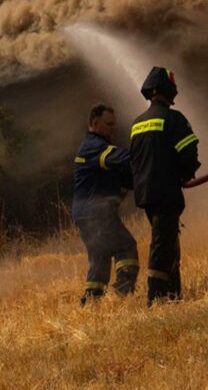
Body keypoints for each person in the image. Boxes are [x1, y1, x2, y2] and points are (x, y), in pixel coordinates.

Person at [129, 66, 200, 305]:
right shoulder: (173, 118)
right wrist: (185, 174)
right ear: (165, 91)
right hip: (167, 191)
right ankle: (156, 297)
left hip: (146, 194)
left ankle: (172, 296)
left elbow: (135, 160)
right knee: (162, 242)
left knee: (167, 240)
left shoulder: (137, 123)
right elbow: (189, 152)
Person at [71, 104, 139, 305]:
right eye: (108, 124)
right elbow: (123, 159)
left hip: (87, 212)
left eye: (114, 124)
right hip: (95, 212)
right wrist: (145, 153)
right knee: (126, 247)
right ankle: (122, 295)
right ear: (94, 123)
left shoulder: (97, 149)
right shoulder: (94, 147)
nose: (112, 128)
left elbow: (126, 178)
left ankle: (91, 303)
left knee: (100, 258)